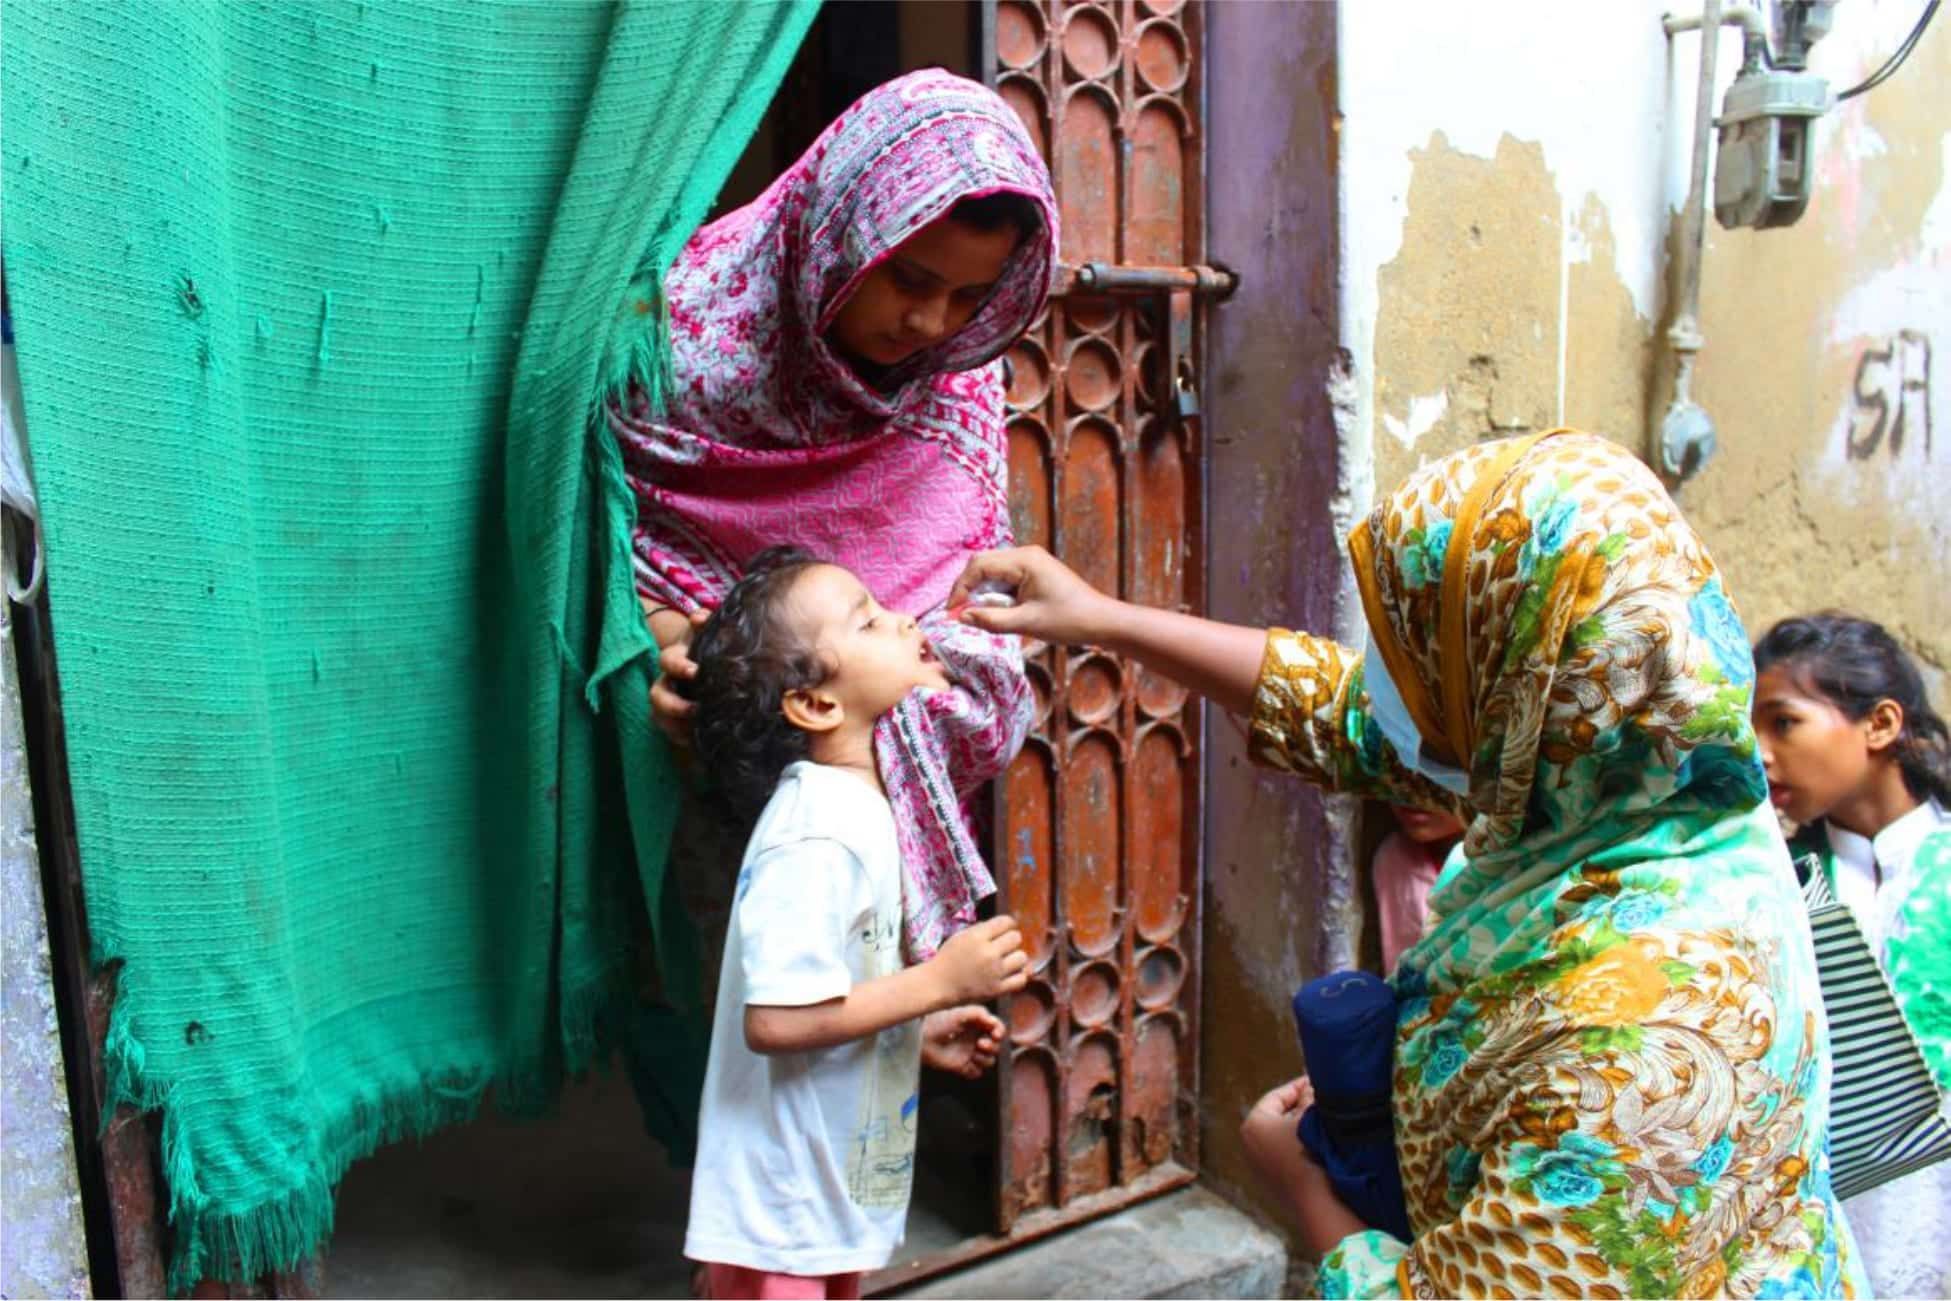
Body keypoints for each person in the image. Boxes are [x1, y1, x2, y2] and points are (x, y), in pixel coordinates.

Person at [950, 430, 1865, 1298]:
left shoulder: (1640, 1048)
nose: (1402, 692)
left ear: (1519, 682)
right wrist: (1100, 617)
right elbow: (1349, 711)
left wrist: (1297, 1184)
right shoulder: (1635, 769)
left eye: (1428, 661)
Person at [610, 68, 1058, 969]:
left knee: (871, 1044)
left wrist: (932, 668)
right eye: (908, 277)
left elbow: (962, 583)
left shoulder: (956, 380)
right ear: (837, 232)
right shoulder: (669, 346)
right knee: (744, 1027)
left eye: (971, 299)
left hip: (883, 796)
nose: (930, 322)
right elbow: (611, 530)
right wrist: (660, 631)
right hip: (711, 779)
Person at [677, 548, 1030, 1301]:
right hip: (782, 1207)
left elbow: (829, 989)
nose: (902, 617)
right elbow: (774, 1018)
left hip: (822, 1188)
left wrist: (910, 1028)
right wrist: (933, 981)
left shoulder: (855, 807)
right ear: (814, 704)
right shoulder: (813, 836)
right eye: (867, 619)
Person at [1753, 612, 1951, 1299]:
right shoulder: (1773, 886)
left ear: (1880, 723)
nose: (1759, 752)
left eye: (1782, 722)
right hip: (1825, 1244)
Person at [1371, 804, 1464, 973]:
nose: (1410, 794)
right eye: (1399, 777)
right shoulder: (1396, 857)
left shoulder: (1514, 866)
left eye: (1440, 778)